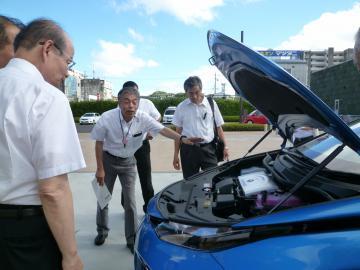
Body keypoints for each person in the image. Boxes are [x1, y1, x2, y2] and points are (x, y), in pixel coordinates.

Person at [0, 19, 85, 270]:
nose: (67, 72)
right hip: (25, 233)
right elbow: (53, 189)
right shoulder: (45, 97)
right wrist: (71, 255)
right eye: (68, 61)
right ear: (47, 48)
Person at [91, 86, 196, 253]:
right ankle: (101, 231)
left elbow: (163, 130)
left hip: (128, 163)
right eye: (126, 102)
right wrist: (100, 169)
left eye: (134, 102)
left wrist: (182, 138)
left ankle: (131, 238)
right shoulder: (107, 118)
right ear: (119, 103)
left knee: (130, 203)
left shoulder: (142, 118)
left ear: (138, 104)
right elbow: (98, 143)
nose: (130, 105)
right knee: (103, 199)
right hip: (108, 161)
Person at [172, 76, 229, 179]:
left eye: (196, 92)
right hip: (188, 150)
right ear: (186, 92)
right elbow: (178, 133)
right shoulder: (181, 107)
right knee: (190, 182)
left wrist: (225, 146)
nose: (194, 96)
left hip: (209, 149)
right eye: (190, 93)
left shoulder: (211, 104)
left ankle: (210, 196)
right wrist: (176, 154)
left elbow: (219, 127)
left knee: (213, 179)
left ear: (201, 89)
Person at [121, 81, 161, 213]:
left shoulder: (147, 103)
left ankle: (149, 207)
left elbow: (157, 117)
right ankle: (126, 206)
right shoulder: (122, 104)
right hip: (126, 146)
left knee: (145, 177)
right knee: (126, 177)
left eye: (135, 92)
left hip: (142, 146)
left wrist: (151, 132)